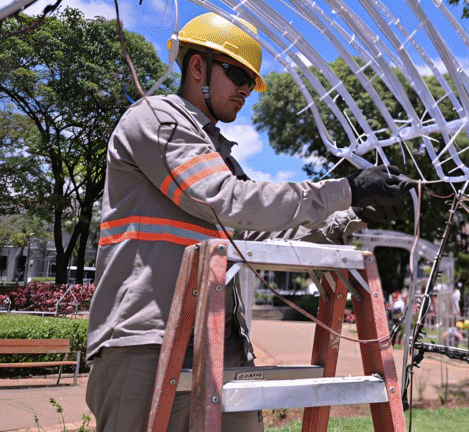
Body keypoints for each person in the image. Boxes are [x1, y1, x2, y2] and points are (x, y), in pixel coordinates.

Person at [85, 12, 409, 432]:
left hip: (221, 343)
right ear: (196, 65)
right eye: (237, 73)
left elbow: (256, 229)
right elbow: (225, 200)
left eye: (250, 81)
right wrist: (345, 188)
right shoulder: (157, 119)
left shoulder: (219, 155)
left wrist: (350, 215)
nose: (244, 89)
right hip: (148, 341)